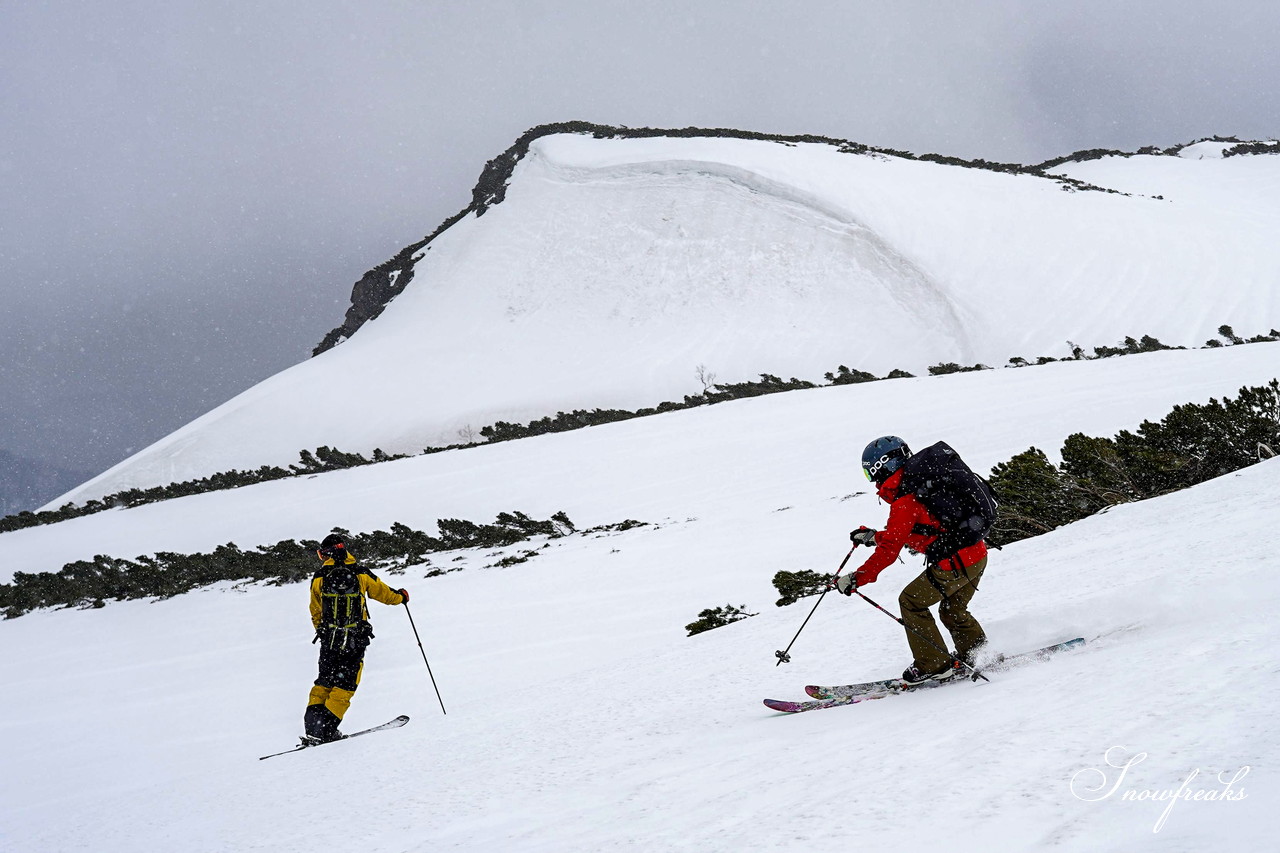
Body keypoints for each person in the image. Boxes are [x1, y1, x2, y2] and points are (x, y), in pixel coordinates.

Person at [834, 436, 989, 685]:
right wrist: (875, 537)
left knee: (910, 602)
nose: (872, 480)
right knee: (953, 610)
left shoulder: (905, 501)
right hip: (976, 555)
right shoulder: (923, 486)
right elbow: (916, 532)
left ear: (881, 466)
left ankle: (935, 665)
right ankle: (980, 654)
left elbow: (889, 551)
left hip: (954, 564)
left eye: (869, 472)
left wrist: (857, 578)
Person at [303, 533, 408, 744]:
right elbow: (385, 594)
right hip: (354, 639)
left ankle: (315, 729)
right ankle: (327, 730)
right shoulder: (360, 573)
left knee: (324, 682)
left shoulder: (319, 578)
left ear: (326, 554)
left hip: (330, 640)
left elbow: (315, 611)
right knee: (346, 684)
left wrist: (325, 632)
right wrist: (401, 597)